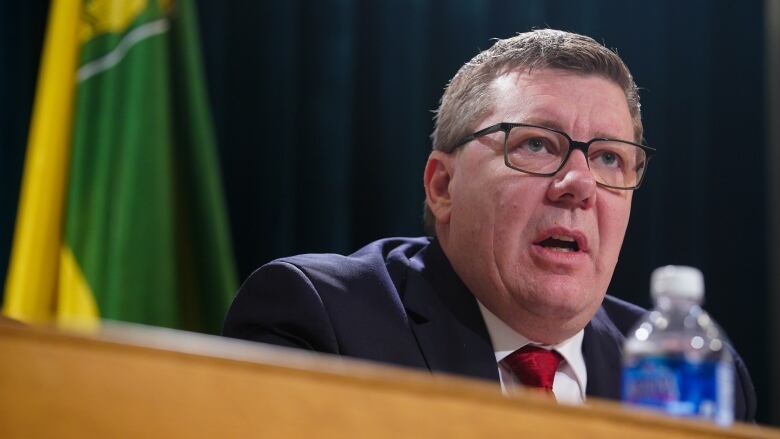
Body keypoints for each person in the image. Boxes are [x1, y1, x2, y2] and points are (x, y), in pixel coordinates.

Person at [223, 29, 756, 420]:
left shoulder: (690, 375)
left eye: (610, 158)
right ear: (442, 186)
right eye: (536, 144)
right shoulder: (322, 319)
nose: (580, 184)